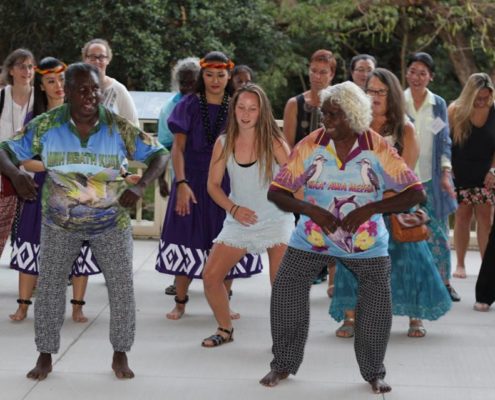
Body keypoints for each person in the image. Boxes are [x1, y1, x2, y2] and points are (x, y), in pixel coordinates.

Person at [0, 62, 168, 380]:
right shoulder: (48, 125)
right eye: (82, 89)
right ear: (68, 93)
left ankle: (120, 354)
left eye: (94, 89)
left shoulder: (117, 126)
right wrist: (15, 174)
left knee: (121, 289)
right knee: (49, 288)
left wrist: (141, 185)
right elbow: (4, 149)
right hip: (60, 223)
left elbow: (158, 153)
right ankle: (45, 356)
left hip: (110, 223)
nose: (90, 95)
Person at [259, 81, 425, 394]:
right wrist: (311, 209)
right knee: (286, 291)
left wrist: (372, 208)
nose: (326, 121)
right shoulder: (312, 143)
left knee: (377, 305)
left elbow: (415, 192)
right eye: (324, 114)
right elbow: (277, 191)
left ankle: (374, 372)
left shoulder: (376, 146)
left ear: (352, 115)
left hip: (366, 244)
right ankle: (281, 364)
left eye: (334, 115)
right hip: (312, 239)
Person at [330, 68, 452, 338]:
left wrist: (383, 197)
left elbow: (406, 175)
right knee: (351, 258)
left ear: (392, 95)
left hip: (395, 205)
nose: (373, 96)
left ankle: (415, 316)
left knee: (411, 260)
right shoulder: (354, 126)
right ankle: (350, 317)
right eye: (369, 91)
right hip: (359, 206)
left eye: (380, 91)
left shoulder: (404, 129)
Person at [155, 51, 262, 320]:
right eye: (209, 75)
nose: (215, 80)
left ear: (229, 76)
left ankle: (224, 303)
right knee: (185, 238)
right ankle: (180, 301)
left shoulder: (238, 106)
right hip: (191, 180)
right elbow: (177, 149)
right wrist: (181, 183)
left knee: (228, 239)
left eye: (221, 75)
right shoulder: (189, 104)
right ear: (202, 76)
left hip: (228, 183)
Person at [8, 57, 103, 323]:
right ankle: (24, 306)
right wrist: (54, 165)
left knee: (79, 248)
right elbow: (24, 160)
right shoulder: (35, 118)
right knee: (31, 243)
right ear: (41, 86)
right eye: (51, 81)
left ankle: (77, 307)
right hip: (40, 190)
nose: (58, 85)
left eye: (62, 80)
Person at [201, 84, 294, 347]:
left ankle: (284, 340)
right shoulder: (224, 142)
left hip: (277, 219)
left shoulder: (275, 142)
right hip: (239, 220)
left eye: (252, 108)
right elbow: (212, 186)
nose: (246, 113)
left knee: (281, 285)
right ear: (233, 109)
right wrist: (233, 209)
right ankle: (225, 329)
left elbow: (293, 182)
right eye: (241, 107)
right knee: (210, 277)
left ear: (261, 111)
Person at [404, 52, 460, 301]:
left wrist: (446, 172)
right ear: (406, 73)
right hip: (405, 180)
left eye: (423, 73)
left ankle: (444, 284)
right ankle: (410, 287)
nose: (417, 77)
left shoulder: (438, 104)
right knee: (407, 234)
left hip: (432, 178)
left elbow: (444, 141)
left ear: (431, 77)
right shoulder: (398, 101)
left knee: (438, 234)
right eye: (413, 71)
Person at [157, 57, 201, 297]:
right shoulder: (170, 108)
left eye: (191, 83)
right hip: (181, 176)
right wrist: (161, 178)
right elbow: (163, 147)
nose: (187, 88)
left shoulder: (213, 103)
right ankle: (179, 281)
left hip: (209, 178)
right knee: (182, 228)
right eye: (182, 83)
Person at [448, 73, 495, 280]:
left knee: (485, 218)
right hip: (460, 172)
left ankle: (486, 269)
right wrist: (448, 169)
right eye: (478, 98)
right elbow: (446, 144)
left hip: (486, 173)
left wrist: (493, 170)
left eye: (485, 97)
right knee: (462, 216)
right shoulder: (455, 111)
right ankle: (460, 263)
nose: (482, 102)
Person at [0, 48, 35, 259]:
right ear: (11, 70)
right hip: (3, 174)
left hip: (33, 174)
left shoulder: (39, 100)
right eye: (22, 66)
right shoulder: (1, 97)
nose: (27, 70)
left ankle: (31, 279)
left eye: (31, 66)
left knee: (30, 234)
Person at [283, 49, 336, 148]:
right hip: (298, 162)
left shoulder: (339, 105)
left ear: (332, 75)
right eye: (313, 71)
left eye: (323, 72)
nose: (317, 76)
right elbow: (287, 147)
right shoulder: (294, 104)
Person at [82, 38, 139, 126]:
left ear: (108, 60)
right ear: (85, 59)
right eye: (92, 57)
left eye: (101, 57)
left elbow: (134, 126)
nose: (97, 61)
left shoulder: (118, 90)